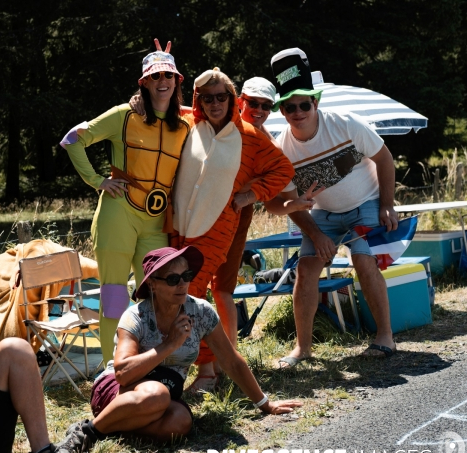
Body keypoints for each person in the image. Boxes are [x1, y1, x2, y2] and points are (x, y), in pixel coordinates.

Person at [57, 247, 302, 453]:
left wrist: (265, 404)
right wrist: (169, 345)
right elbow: (122, 373)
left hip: (163, 396)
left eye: (186, 275)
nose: (183, 284)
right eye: (173, 279)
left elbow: (231, 361)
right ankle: (88, 431)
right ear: (152, 284)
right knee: (157, 394)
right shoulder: (136, 316)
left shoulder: (201, 311)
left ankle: (115, 428)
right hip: (118, 391)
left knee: (181, 422)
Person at [61, 39, 190, 364]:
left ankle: (154, 364)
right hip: (117, 216)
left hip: (156, 222)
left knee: (160, 294)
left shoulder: (186, 125)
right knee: (115, 297)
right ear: (144, 82)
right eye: (155, 76)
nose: (163, 82)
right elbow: (73, 139)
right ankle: (112, 370)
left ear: (177, 81)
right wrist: (97, 180)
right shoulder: (124, 116)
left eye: (168, 76)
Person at [269, 47, 398, 368]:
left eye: (303, 104)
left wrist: (387, 205)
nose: (297, 111)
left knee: (363, 260)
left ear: (316, 102)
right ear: (282, 110)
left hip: (365, 203)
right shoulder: (281, 148)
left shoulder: (346, 124)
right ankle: (303, 349)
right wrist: (316, 233)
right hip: (323, 215)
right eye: (289, 106)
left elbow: (385, 159)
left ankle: (385, 337)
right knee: (306, 268)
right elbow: (289, 204)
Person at [170, 68, 295, 391]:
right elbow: (165, 108)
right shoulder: (188, 125)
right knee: (178, 293)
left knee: (192, 294)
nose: (214, 103)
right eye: (207, 98)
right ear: (198, 101)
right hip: (178, 225)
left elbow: (283, 170)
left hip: (217, 227)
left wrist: (251, 194)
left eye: (221, 97)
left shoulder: (251, 137)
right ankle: (196, 363)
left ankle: (209, 371)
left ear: (231, 99)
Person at [211, 77, 324, 375]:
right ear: (239, 101)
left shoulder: (269, 148)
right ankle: (195, 361)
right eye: (253, 103)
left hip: (236, 216)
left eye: (265, 105)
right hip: (197, 213)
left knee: (223, 287)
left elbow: (273, 203)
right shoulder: (216, 121)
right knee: (191, 285)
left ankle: (228, 362)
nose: (258, 110)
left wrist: (294, 206)